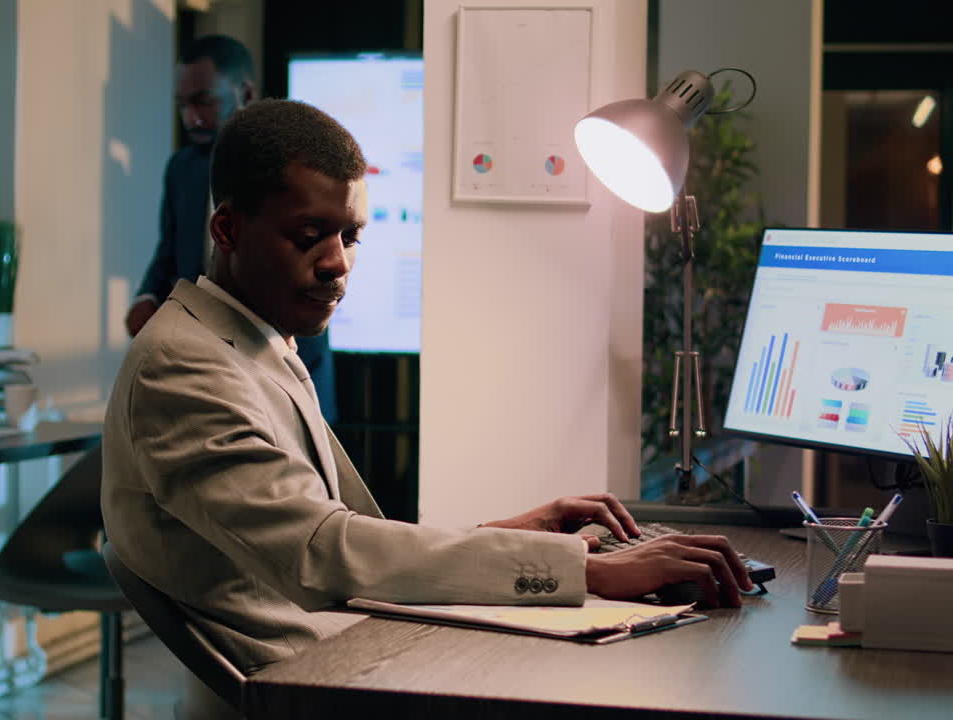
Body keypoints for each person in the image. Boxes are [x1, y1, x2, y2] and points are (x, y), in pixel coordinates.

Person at [101, 99, 753, 676]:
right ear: (227, 230)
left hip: (355, 644)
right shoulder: (183, 366)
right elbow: (320, 553)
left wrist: (518, 535)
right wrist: (585, 569)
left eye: (350, 236)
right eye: (309, 237)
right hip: (320, 676)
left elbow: (342, 539)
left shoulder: (247, 341)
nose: (337, 263)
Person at [125, 34, 339, 421]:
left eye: (204, 101)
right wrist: (146, 296)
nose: (191, 118)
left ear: (246, 93)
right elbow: (169, 252)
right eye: (183, 104)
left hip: (288, 365)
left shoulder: (297, 171)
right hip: (202, 367)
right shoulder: (181, 169)